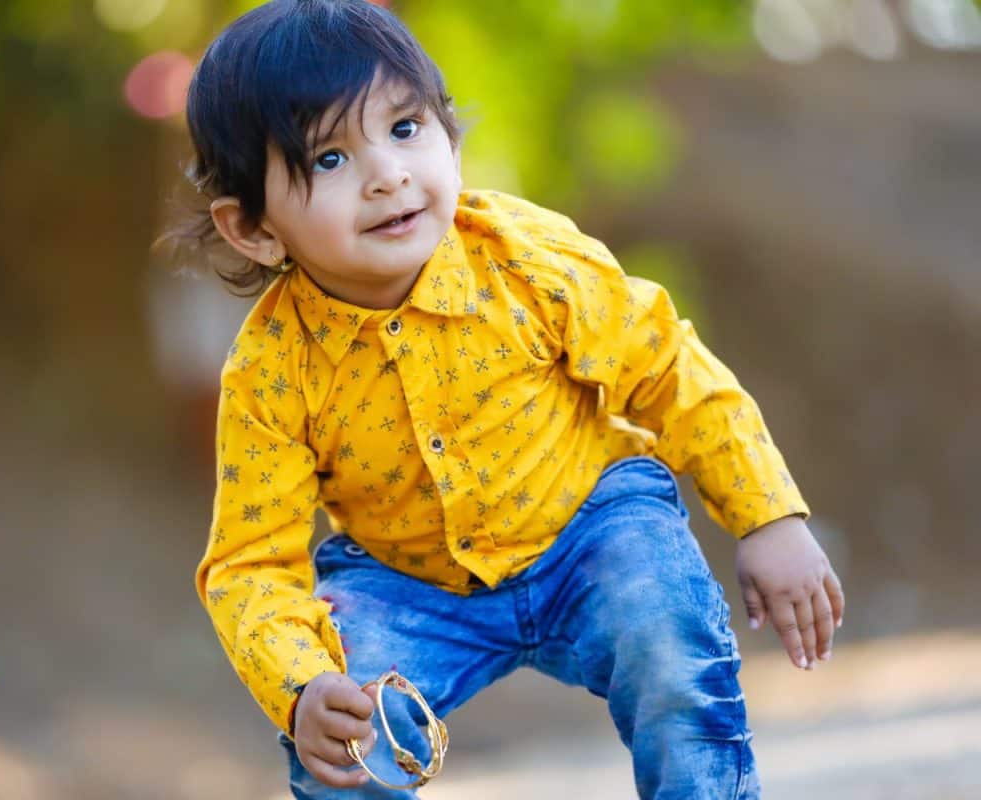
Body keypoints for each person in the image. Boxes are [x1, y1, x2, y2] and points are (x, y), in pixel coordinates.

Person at [185, 1, 845, 797]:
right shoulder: (271, 372)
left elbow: (666, 363)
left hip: (591, 530)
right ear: (253, 228)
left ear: (447, 130)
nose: (388, 174)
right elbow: (252, 562)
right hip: (408, 583)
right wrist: (299, 687)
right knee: (344, 735)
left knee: (667, 635)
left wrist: (767, 516)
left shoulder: (525, 263)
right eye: (328, 159)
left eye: (404, 129)